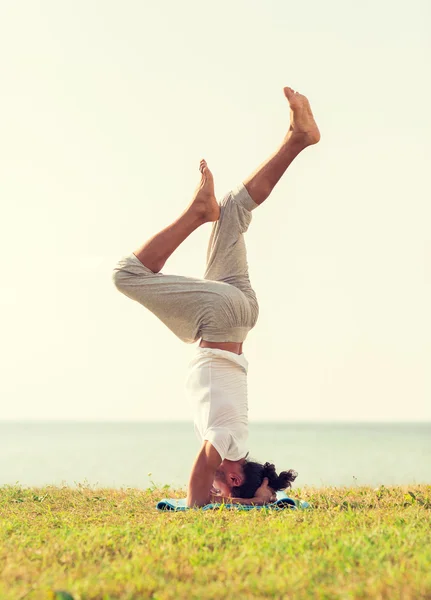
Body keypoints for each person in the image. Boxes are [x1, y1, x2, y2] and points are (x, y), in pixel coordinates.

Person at [113, 86, 320, 507]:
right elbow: (203, 469)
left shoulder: (237, 436)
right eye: (225, 491)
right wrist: (196, 509)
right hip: (221, 317)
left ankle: (298, 139)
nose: (218, 493)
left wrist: (260, 497)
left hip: (241, 314)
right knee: (126, 275)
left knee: (233, 209)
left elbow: (221, 476)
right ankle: (195, 214)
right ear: (232, 473)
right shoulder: (226, 443)